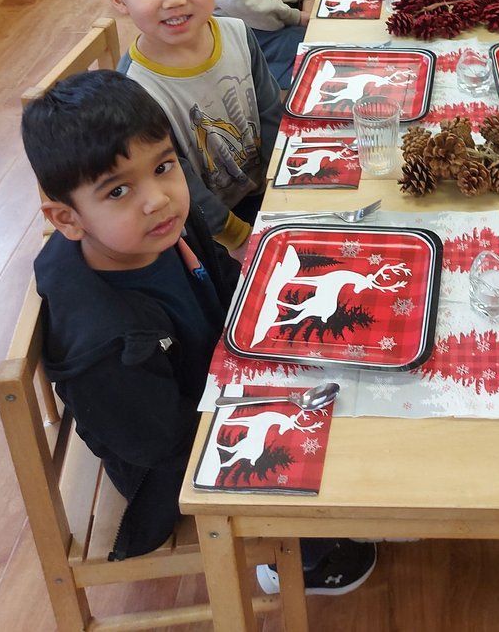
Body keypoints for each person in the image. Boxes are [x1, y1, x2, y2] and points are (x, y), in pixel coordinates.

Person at [25, 70, 377, 593]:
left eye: (164, 166)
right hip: (169, 466)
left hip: (210, 375)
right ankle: (298, 556)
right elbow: (163, 449)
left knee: (360, 363)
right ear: (67, 219)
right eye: (118, 189)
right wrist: (269, 398)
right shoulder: (107, 346)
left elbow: (223, 274)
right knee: (342, 435)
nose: (157, 198)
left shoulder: (156, 230)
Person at [103, 0, 281, 254]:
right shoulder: (135, 91)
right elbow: (172, 181)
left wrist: (283, 180)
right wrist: (236, 237)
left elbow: (270, 112)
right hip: (207, 231)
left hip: (267, 192)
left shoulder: (237, 33)